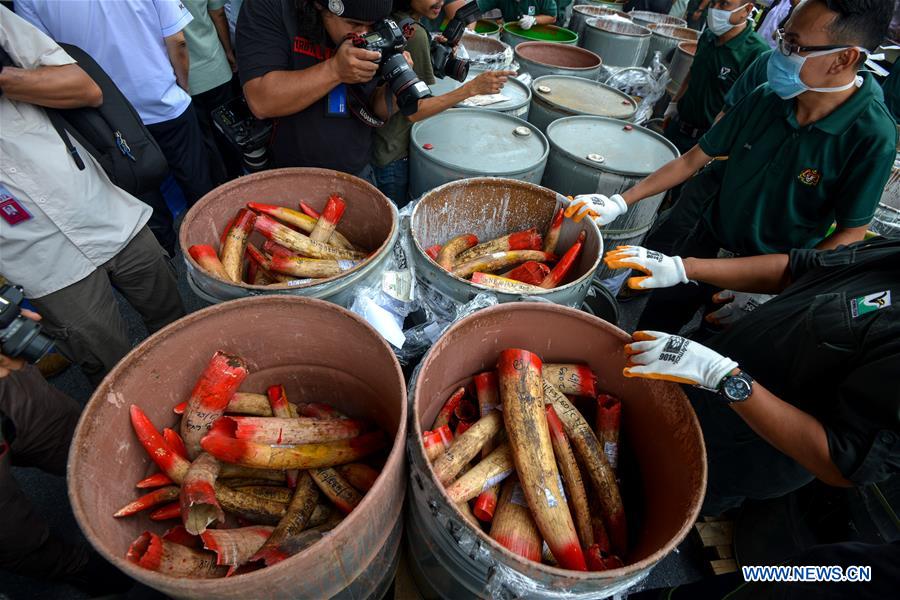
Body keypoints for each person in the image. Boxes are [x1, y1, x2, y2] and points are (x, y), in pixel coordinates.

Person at [569, 0, 897, 334]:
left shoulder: (871, 133)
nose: (779, 53)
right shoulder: (767, 98)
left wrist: (788, 285)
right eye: (783, 37)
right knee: (653, 328)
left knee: (713, 353)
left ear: (845, 58)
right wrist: (622, 201)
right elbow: (692, 159)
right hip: (707, 241)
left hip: (767, 271)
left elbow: (849, 233)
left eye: (794, 45)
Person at [604, 237, 900, 515]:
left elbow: (841, 463)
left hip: (738, 446)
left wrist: (724, 377)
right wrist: (685, 267)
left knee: (646, 503)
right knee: (628, 451)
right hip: (708, 380)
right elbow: (801, 267)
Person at [0, 6, 186, 385]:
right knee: (111, 371)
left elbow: (84, 87)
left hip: (102, 208)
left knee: (176, 325)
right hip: (38, 260)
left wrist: (5, 78)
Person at [15, 0, 217, 257]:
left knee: (144, 202)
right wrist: (181, 83)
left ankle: (167, 268)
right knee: (199, 187)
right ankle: (214, 256)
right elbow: (177, 40)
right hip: (164, 101)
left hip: (108, 117)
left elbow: (39, 60)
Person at [0, 312, 132, 594]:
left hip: (11, 390)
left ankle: (129, 495)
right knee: (13, 534)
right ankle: (75, 567)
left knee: (86, 445)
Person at [236, 0, 407, 181]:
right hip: (288, 173)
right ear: (320, 5)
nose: (364, 34)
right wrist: (335, 70)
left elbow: (373, 107)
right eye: (353, 24)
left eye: (373, 25)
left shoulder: (375, 22)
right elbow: (261, 101)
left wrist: (395, 92)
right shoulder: (271, 6)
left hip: (357, 169)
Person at [372, 0, 515, 206]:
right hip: (394, 154)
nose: (440, 1)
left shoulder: (396, 24)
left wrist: (435, 53)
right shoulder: (415, 33)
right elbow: (414, 110)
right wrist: (471, 89)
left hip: (380, 146)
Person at [663, 0, 769, 153]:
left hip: (706, 143)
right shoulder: (708, 36)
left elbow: (752, 109)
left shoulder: (756, 52)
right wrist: (673, 105)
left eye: (724, 4)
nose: (715, 10)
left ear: (747, 10)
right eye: (713, 3)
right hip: (677, 127)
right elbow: (693, 73)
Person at [183, 0, 244, 182]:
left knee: (204, 142)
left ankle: (219, 187)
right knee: (231, 133)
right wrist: (228, 51)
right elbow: (217, 14)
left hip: (183, 78)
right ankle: (239, 178)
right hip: (214, 66)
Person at [445, 0, 558, 29]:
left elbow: (552, 17)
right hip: (511, 35)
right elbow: (474, 10)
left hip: (537, 37)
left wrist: (534, 20)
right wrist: (470, 32)